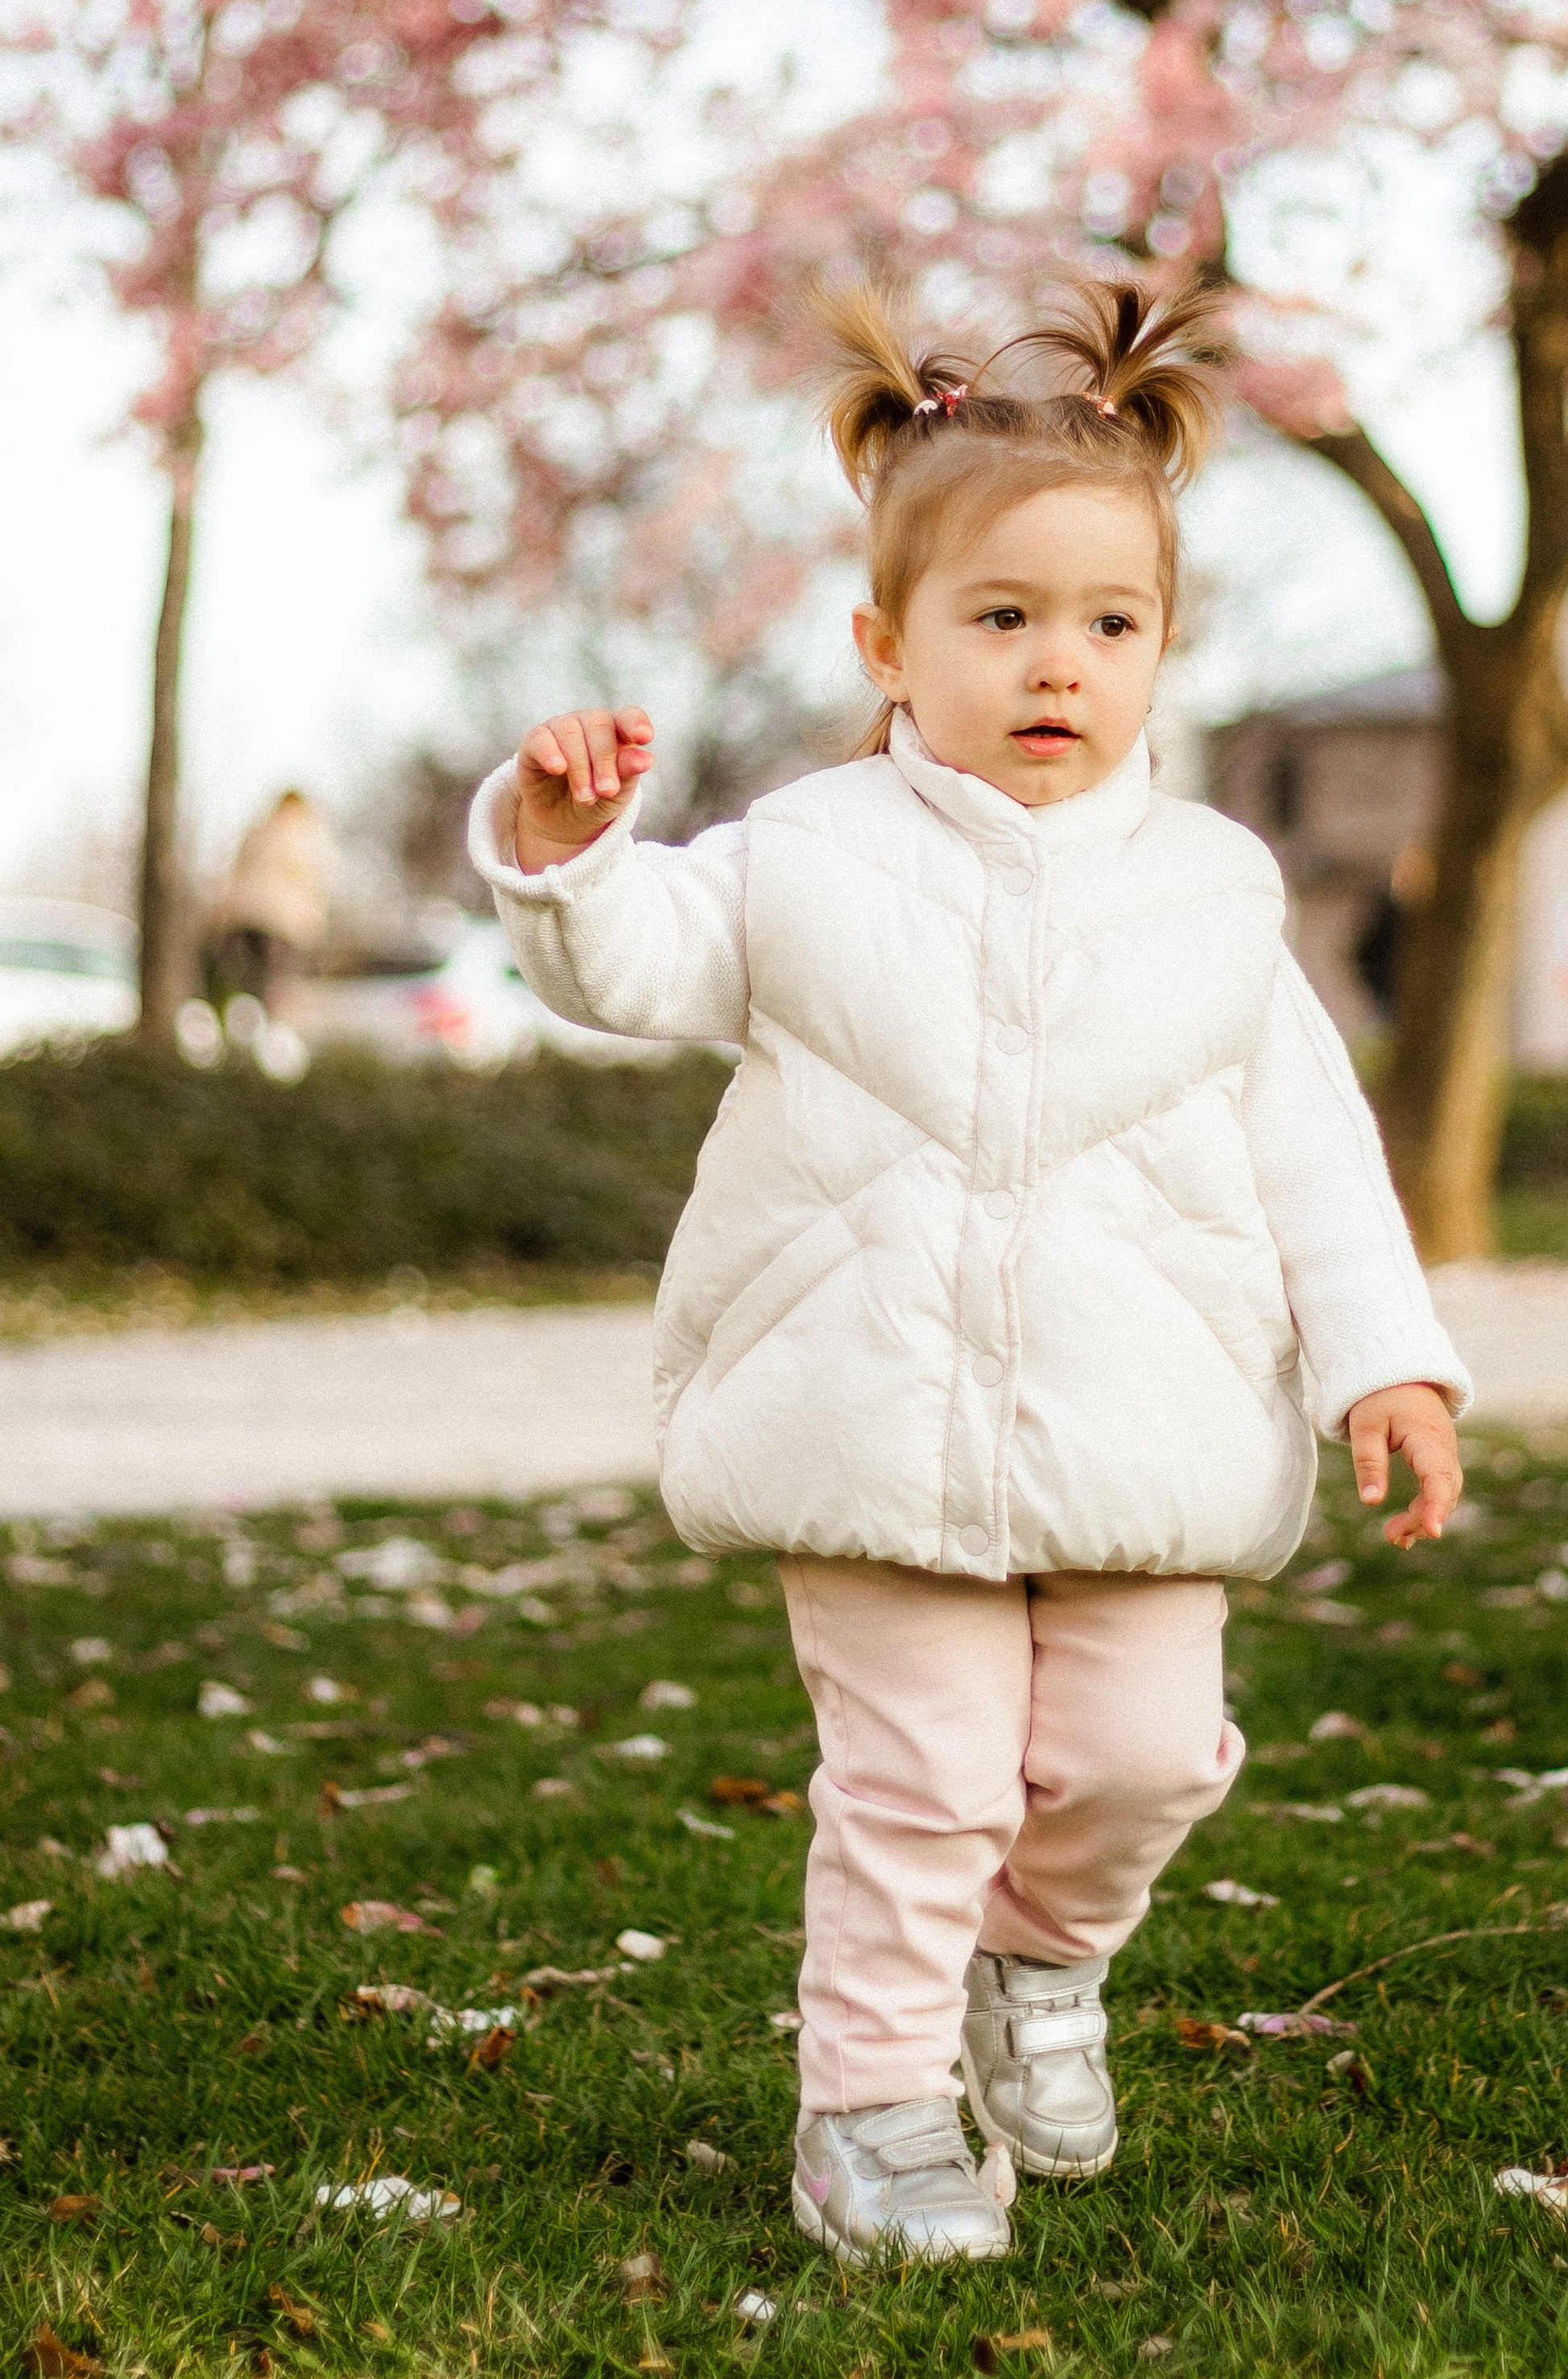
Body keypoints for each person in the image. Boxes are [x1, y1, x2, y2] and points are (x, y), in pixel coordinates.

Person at [469, 277, 1471, 2266]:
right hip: (870, 1413)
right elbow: (638, 959)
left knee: (1139, 1756)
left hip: (1140, 1423)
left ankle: (1039, 1956)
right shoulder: (804, 853)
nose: (1054, 664)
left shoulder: (1211, 890)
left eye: (1107, 625)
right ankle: (868, 2110)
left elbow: (1309, 1144)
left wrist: (1385, 1356)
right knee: (920, 1779)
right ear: (886, 645)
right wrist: (564, 848)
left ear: (1161, 649)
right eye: (999, 618)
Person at [206, 788, 333, 1013]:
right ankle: (269, 1018)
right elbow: (314, 878)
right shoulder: (307, 833)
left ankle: (248, 1016)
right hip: (283, 919)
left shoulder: (258, 829)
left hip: (245, 915)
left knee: (250, 975)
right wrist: (314, 920)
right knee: (276, 977)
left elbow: (237, 871)